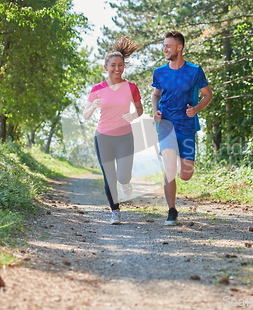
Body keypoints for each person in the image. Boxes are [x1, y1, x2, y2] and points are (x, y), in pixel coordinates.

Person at [152, 31, 213, 226]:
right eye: (164, 46)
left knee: (185, 175)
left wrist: (195, 109)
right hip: (166, 124)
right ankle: (171, 210)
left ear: (180, 47)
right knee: (169, 167)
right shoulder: (160, 72)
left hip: (186, 126)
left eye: (168, 46)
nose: (165, 49)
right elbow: (155, 96)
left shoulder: (195, 71)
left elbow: (208, 95)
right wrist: (155, 112)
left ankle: (178, 159)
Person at [83, 37, 143, 225]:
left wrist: (133, 116)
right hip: (103, 137)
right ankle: (115, 212)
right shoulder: (97, 88)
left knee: (122, 176)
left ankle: (126, 182)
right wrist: (93, 106)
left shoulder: (131, 87)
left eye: (120, 65)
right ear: (105, 68)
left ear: (124, 66)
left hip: (125, 137)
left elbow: (139, 109)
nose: (117, 69)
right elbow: (85, 115)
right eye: (113, 66)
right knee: (109, 176)